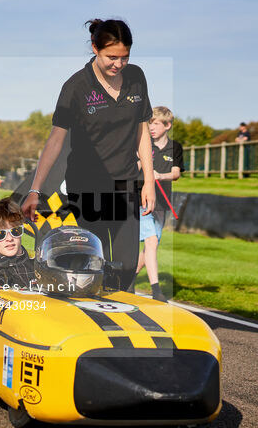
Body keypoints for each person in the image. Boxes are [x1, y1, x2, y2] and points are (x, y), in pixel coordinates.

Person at [21, 18, 155, 292]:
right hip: (87, 185)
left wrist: (149, 181)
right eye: (111, 57)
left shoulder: (136, 77)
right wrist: (35, 190)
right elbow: (55, 141)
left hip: (126, 183)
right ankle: (102, 323)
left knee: (128, 264)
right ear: (95, 48)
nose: (118, 64)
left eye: (124, 57)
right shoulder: (76, 87)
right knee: (96, 263)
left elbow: (142, 132)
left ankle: (120, 309)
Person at [135, 106, 182, 302]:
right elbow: (133, 168)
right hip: (143, 199)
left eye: (155, 123)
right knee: (151, 241)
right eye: (150, 123)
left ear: (167, 125)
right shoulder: (143, 144)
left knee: (149, 250)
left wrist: (160, 176)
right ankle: (157, 291)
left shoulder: (175, 147)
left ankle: (124, 280)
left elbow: (176, 173)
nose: (151, 127)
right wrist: (141, 162)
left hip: (163, 202)